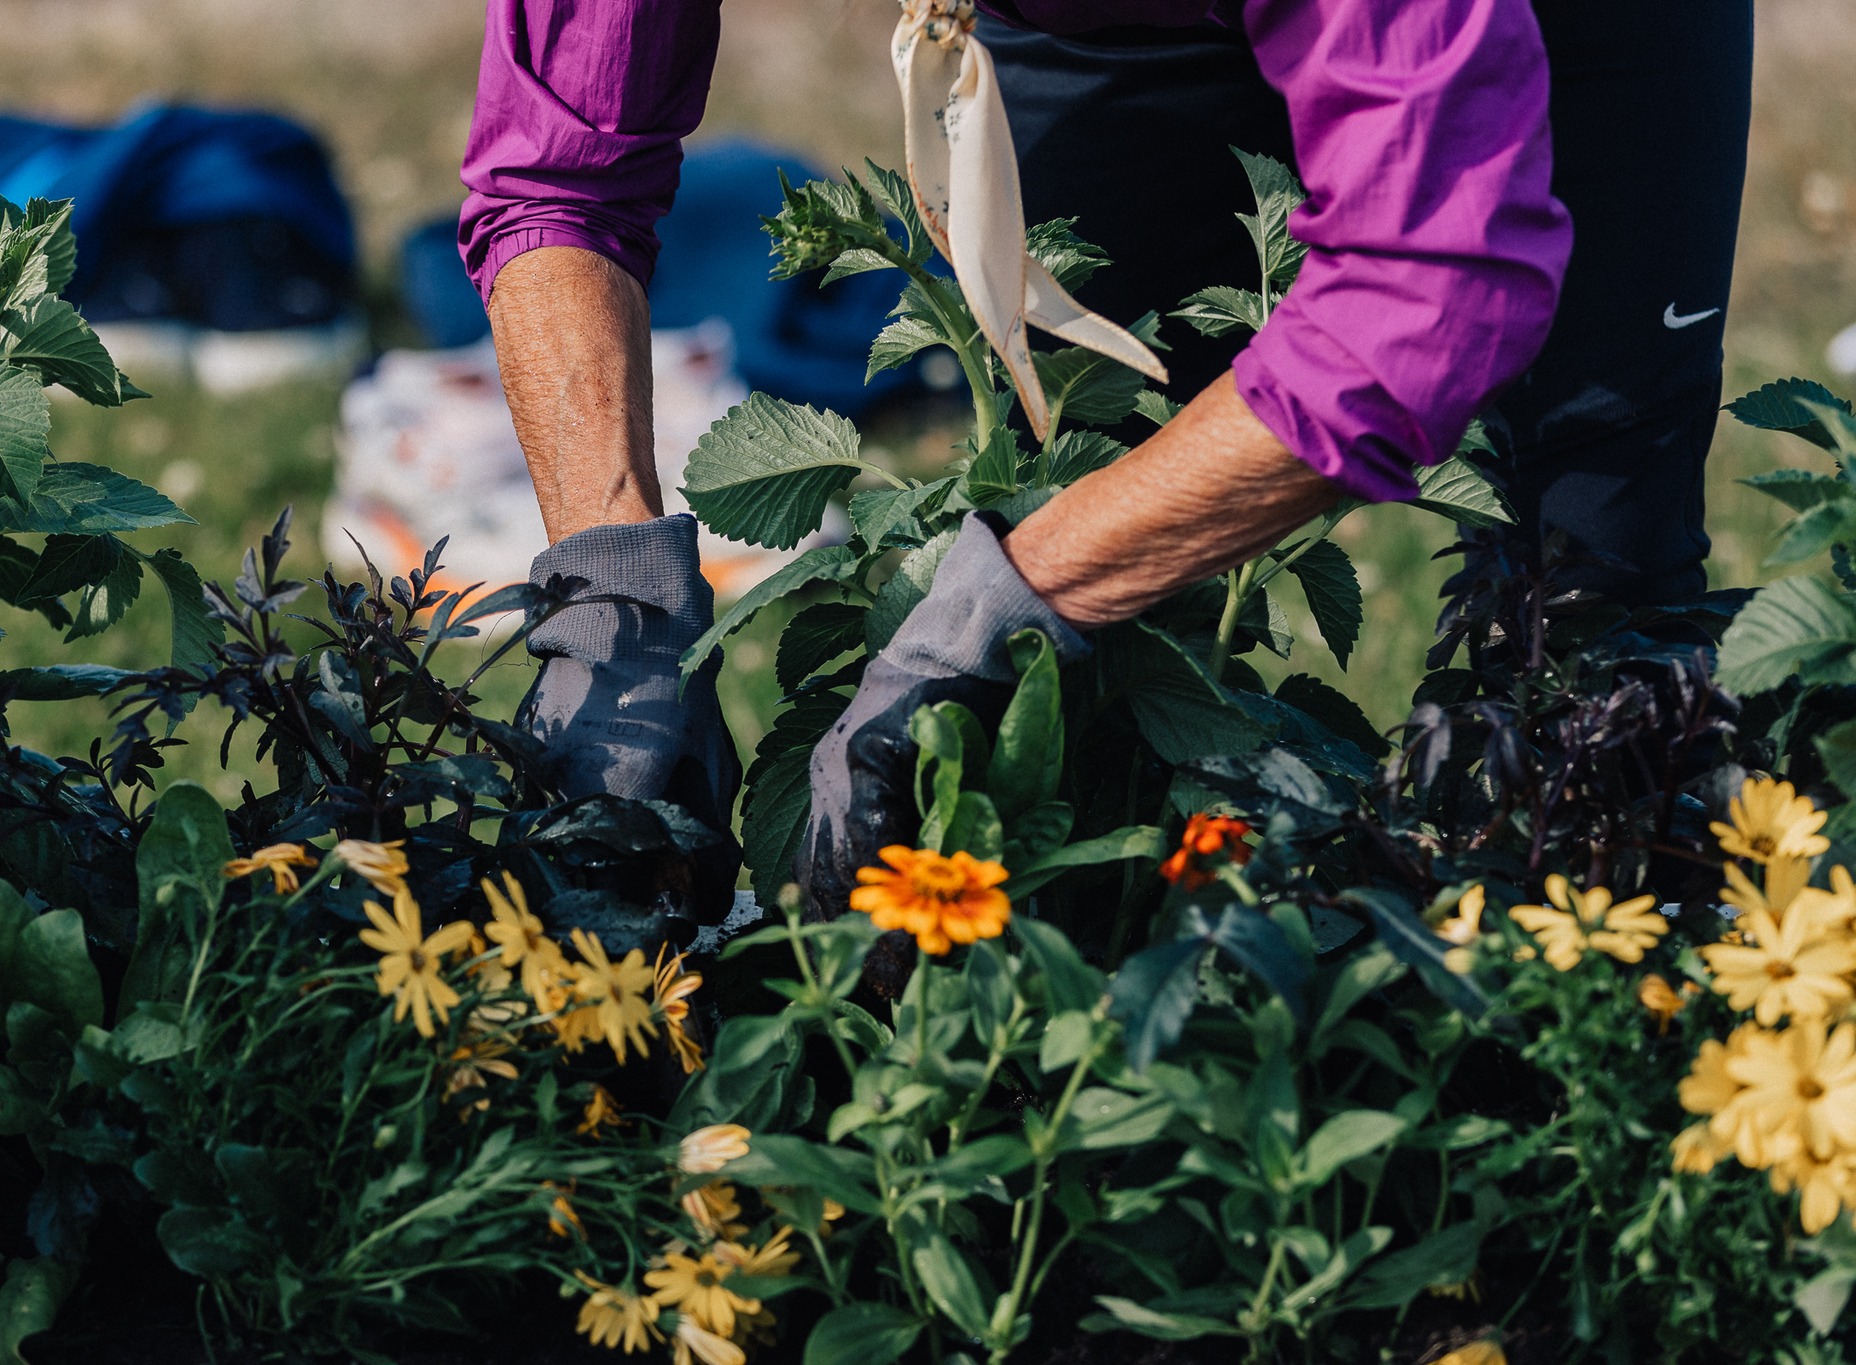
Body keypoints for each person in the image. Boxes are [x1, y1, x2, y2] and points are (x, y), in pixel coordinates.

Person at [458, 0, 1748, 916]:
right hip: (1103, 27)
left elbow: (1430, 287)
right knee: (1073, 722)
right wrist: (612, 583)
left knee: (1591, 635)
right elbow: (557, 161)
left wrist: (1018, 600)